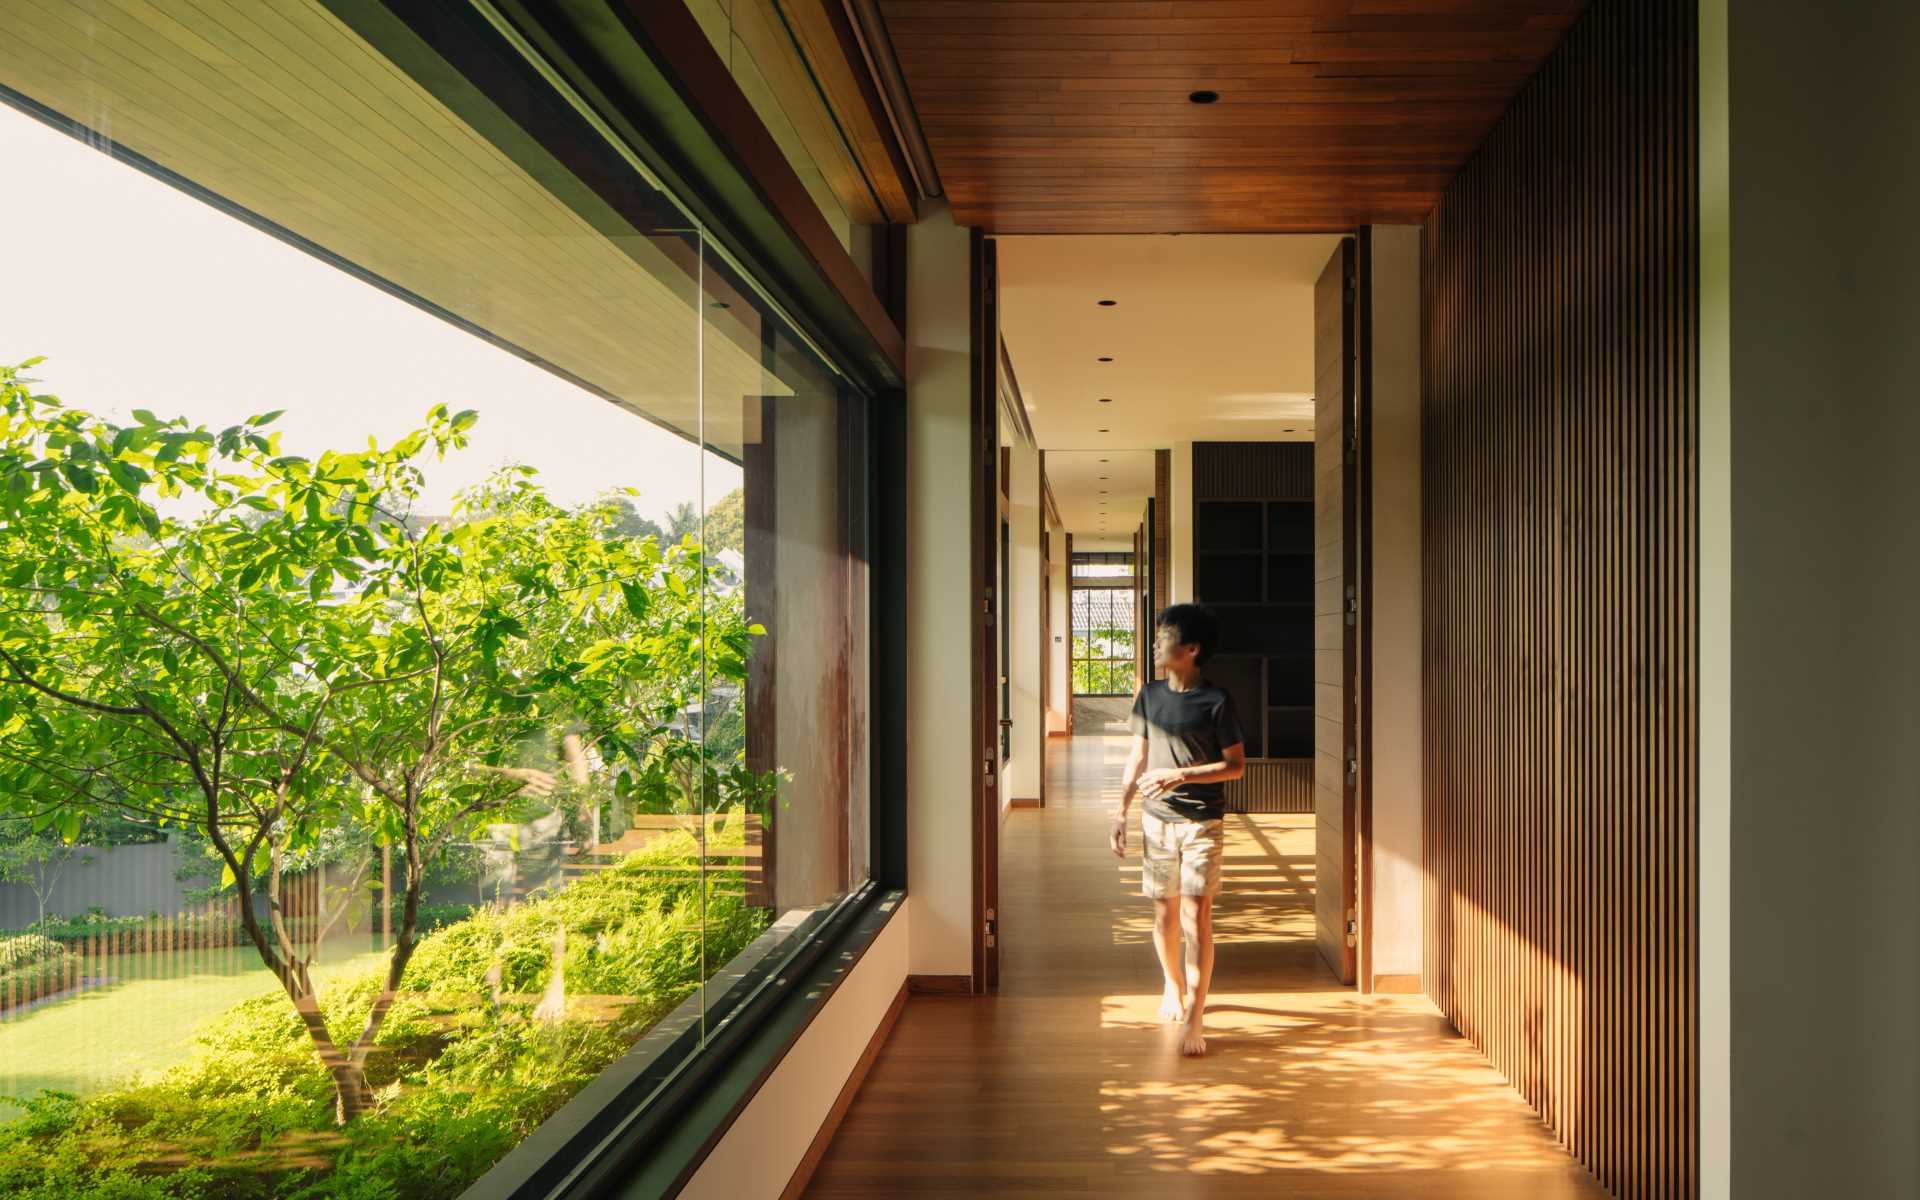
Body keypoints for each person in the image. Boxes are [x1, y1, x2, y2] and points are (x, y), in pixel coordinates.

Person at [1109, 603, 1246, 1056]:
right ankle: (1172, 985)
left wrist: (1181, 775)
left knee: (1194, 917)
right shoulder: (1148, 694)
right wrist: (1121, 810)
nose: (1154, 645)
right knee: (1164, 918)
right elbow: (1137, 756)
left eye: (1163, 638)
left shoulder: (1217, 701)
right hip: (1156, 821)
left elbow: (1235, 767)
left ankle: (1195, 1014)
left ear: (1191, 649)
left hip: (1202, 823)